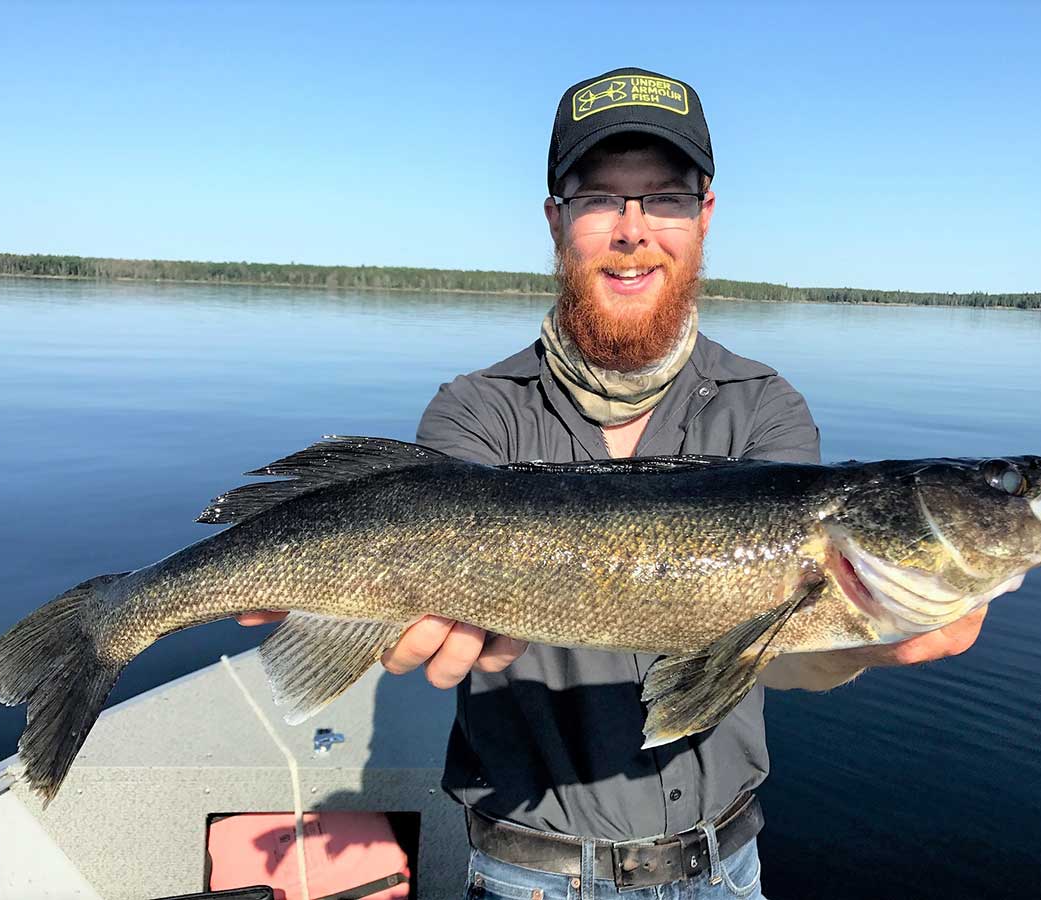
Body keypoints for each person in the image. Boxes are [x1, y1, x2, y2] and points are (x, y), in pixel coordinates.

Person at [239, 67, 991, 899]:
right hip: (527, 875)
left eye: (665, 197)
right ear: (557, 221)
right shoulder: (474, 412)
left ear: (704, 218)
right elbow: (433, 604)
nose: (633, 230)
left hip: (723, 868)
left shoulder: (766, 409)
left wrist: (862, 640)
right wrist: (372, 624)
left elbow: (773, 657)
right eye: (600, 198)